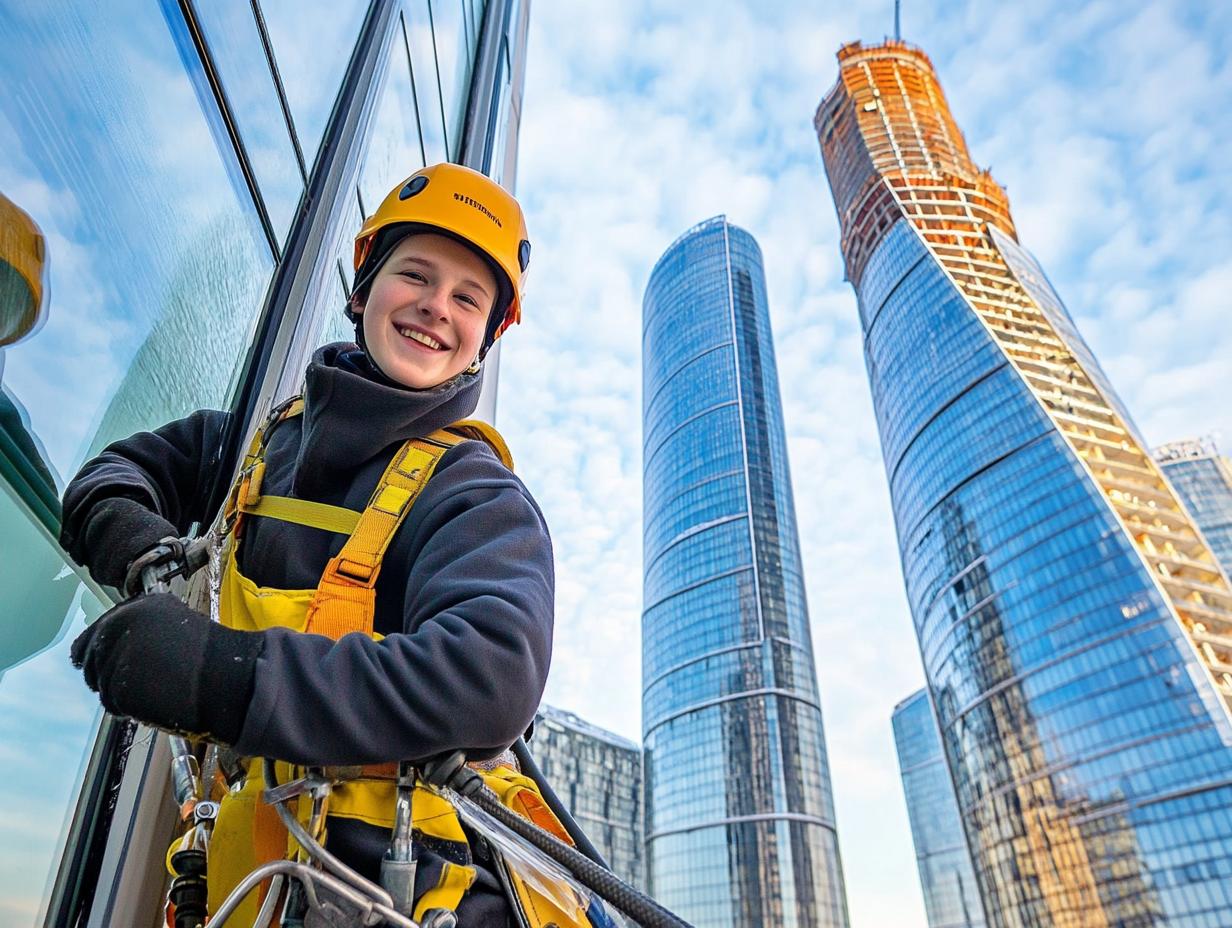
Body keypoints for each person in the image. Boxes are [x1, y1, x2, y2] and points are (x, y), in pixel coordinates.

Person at [60, 163, 556, 926]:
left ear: (484, 342)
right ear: (362, 291)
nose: (435, 307)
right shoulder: (255, 447)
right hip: (253, 882)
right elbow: (112, 475)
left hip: (400, 896)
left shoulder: (474, 493)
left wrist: (217, 676)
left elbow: (492, 672)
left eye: (468, 299)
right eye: (414, 275)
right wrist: (149, 556)